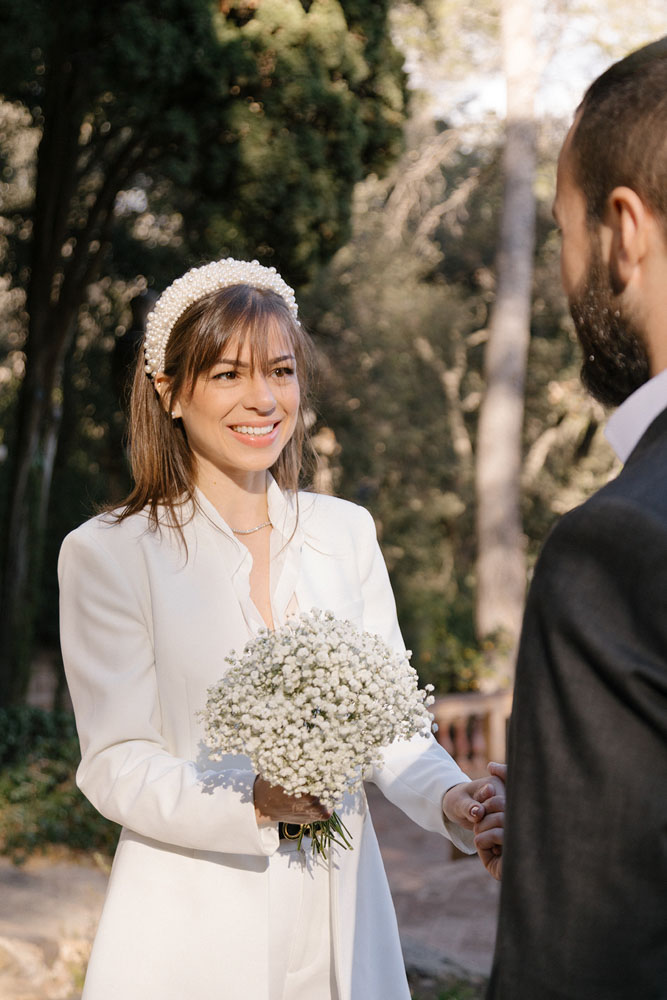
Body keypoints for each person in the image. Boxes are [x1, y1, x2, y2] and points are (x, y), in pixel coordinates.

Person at [59, 257, 504, 1000]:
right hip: (189, 933)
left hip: (343, 920)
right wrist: (252, 802)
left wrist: (455, 802)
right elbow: (117, 762)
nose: (263, 398)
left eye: (281, 371)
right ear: (169, 392)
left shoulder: (346, 533)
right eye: (228, 374)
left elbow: (391, 727)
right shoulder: (107, 552)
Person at [487, 37, 667, 1000]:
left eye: (563, 229)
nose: (564, 269)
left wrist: (568, 872)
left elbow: (575, 973)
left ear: (623, 232)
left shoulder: (619, 545)